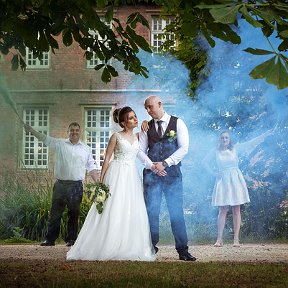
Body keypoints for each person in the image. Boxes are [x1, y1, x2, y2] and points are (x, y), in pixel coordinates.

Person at [67, 107, 156, 261]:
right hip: (116, 173)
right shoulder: (116, 136)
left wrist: (145, 121)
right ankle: (105, 243)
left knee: (130, 208)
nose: (135, 119)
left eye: (135, 117)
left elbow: (149, 128)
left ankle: (129, 245)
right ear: (123, 122)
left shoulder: (137, 136)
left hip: (131, 176)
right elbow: (107, 158)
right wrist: (101, 181)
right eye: (131, 118)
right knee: (113, 207)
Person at [138, 95, 196, 261]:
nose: (148, 111)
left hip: (172, 175)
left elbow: (184, 148)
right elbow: (140, 151)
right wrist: (152, 166)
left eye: (150, 107)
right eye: (146, 108)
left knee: (176, 212)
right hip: (151, 175)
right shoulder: (146, 127)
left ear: (160, 104)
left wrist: (165, 163)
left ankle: (183, 250)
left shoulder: (178, 123)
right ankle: (151, 248)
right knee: (151, 212)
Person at [23, 122, 98, 247]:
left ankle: (71, 239)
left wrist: (98, 183)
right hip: (61, 185)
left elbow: (91, 166)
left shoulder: (86, 149)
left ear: (80, 132)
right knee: (55, 213)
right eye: (72, 130)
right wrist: (31, 130)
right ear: (68, 132)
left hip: (76, 186)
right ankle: (50, 239)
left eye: (76, 130)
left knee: (74, 213)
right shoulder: (60, 144)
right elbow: (44, 138)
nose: (74, 132)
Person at [203, 129, 274, 247]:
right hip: (223, 179)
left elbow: (251, 142)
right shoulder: (215, 151)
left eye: (226, 138)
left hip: (235, 179)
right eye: (222, 138)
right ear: (220, 140)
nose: (224, 139)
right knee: (222, 209)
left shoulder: (235, 148)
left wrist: (266, 134)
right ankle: (219, 239)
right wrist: (213, 173)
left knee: (236, 209)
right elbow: (204, 162)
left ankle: (236, 239)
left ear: (229, 139)